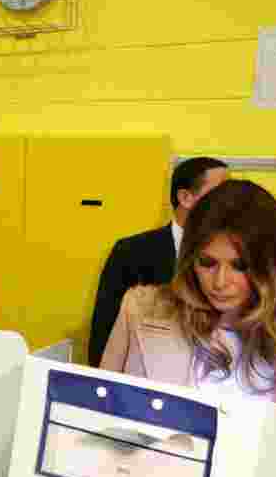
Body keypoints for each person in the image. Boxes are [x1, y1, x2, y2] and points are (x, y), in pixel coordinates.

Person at [100, 179, 276, 402]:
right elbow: (95, 410)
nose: (220, 282)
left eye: (240, 266)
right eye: (207, 263)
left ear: (270, 267)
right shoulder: (141, 309)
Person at [88, 157, 228, 367]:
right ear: (185, 197)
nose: (230, 202)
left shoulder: (237, 258)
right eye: (220, 193)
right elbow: (104, 332)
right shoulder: (132, 252)